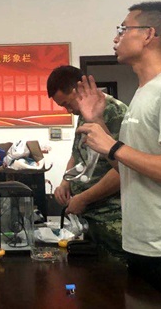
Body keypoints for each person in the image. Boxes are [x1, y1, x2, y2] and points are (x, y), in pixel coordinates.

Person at [77, 1, 161, 308]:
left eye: (123, 29)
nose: (115, 38)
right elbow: (125, 166)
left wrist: (113, 146)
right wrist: (98, 124)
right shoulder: (143, 92)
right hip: (140, 245)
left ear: (148, 34)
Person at [47, 65, 127, 259]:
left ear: (78, 89)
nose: (68, 110)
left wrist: (83, 198)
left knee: (115, 273)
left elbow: (124, 170)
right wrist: (65, 182)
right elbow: (77, 154)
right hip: (90, 217)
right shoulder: (84, 115)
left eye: (67, 104)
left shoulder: (114, 111)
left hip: (112, 217)